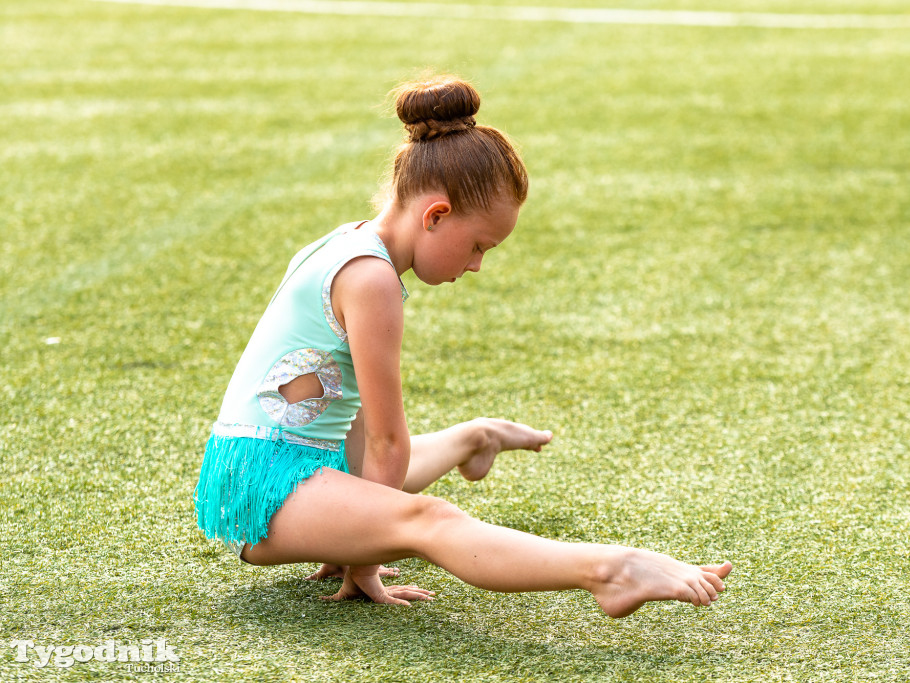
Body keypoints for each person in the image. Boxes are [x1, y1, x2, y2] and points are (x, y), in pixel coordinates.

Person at [193, 75, 731, 618]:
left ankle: (475, 437)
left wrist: (349, 518)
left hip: (272, 465)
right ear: (436, 215)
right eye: (478, 246)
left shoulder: (344, 240)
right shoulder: (371, 279)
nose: (476, 264)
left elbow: (342, 406)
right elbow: (385, 444)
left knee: (391, 500)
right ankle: (612, 571)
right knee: (432, 520)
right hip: (265, 487)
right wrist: (363, 558)